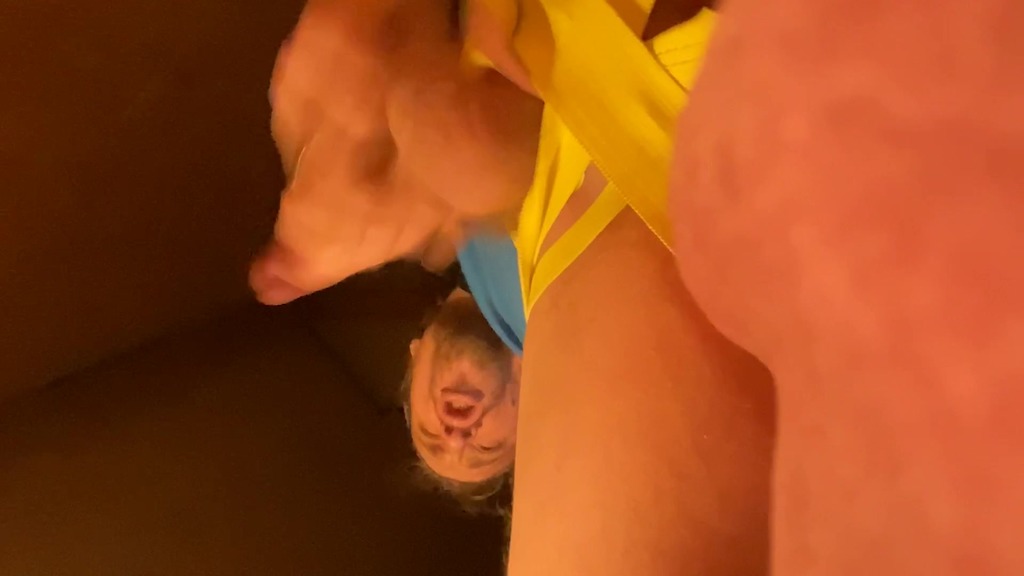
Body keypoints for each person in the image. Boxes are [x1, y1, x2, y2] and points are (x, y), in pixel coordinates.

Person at [252, 2, 776, 576]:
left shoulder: (451, 240)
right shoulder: (544, 331)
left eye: (429, 435)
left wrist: (421, 122)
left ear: (415, 354)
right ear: (535, 425)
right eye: (485, 449)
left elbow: (491, 138)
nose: (458, 435)